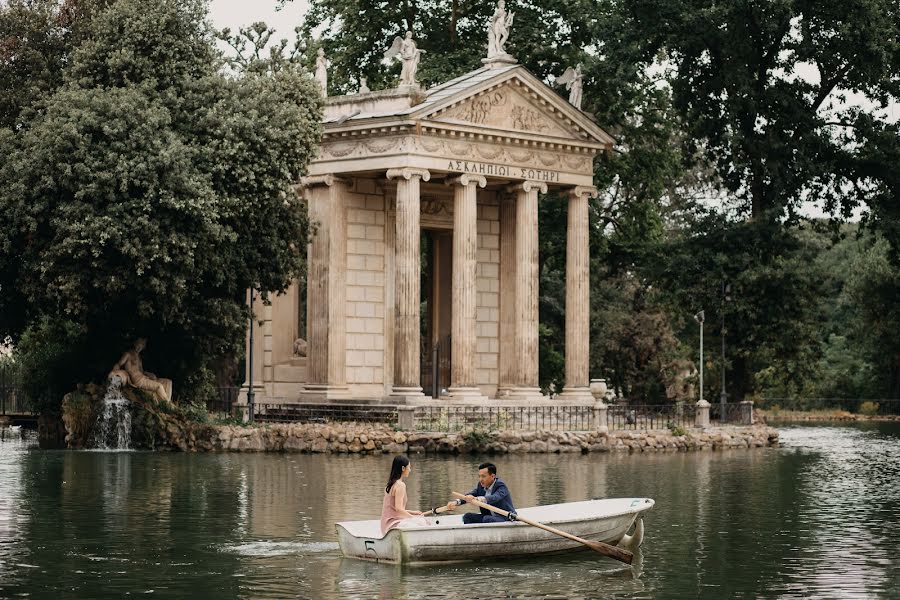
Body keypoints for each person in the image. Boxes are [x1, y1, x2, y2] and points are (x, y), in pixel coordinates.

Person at [446, 462, 516, 524]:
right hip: (488, 517)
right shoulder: (481, 485)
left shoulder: (501, 486)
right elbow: (470, 495)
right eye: (479, 476)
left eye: (483, 476)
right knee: (467, 517)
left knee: (487, 519)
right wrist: (455, 502)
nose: (480, 479)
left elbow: (495, 497)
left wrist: (477, 499)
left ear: (493, 476)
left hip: (505, 517)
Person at [381, 455, 427, 535]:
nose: (410, 470)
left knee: (419, 518)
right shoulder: (400, 485)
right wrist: (413, 518)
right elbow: (398, 509)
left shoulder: (390, 484)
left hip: (385, 526)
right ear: (403, 468)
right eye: (409, 467)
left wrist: (413, 512)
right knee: (421, 522)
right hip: (392, 527)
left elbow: (394, 509)